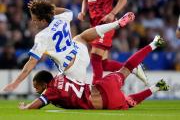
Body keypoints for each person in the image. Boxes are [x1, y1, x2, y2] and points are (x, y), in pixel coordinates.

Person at [2, 0, 135, 92]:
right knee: (81, 37)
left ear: (43, 20)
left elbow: (31, 64)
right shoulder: (61, 18)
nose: (33, 22)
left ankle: (116, 93)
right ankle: (116, 24)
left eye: (35, 19)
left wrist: (16, 83)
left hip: (72, 71)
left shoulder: (41, 37)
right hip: (81, 52)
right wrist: (48, 8)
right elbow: (67, 10)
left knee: (82, 99)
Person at [18, 35, 169, 110]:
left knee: (128, 103)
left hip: (102, 102)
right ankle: (154, 44)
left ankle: (155, 87)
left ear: (44, 83)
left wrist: (26, 107)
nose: (36, 89)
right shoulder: (61, 75)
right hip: (103, 86)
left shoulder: (51, 90)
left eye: (36, 86)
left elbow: (38, 104)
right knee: (126, 69)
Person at [78, 0, 145, 84]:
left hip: (106, 25)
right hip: (94, 26)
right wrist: (82, 11)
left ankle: (95, 92)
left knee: (95, 58)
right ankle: (133, 68)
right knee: (103, 64)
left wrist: (112, 13)